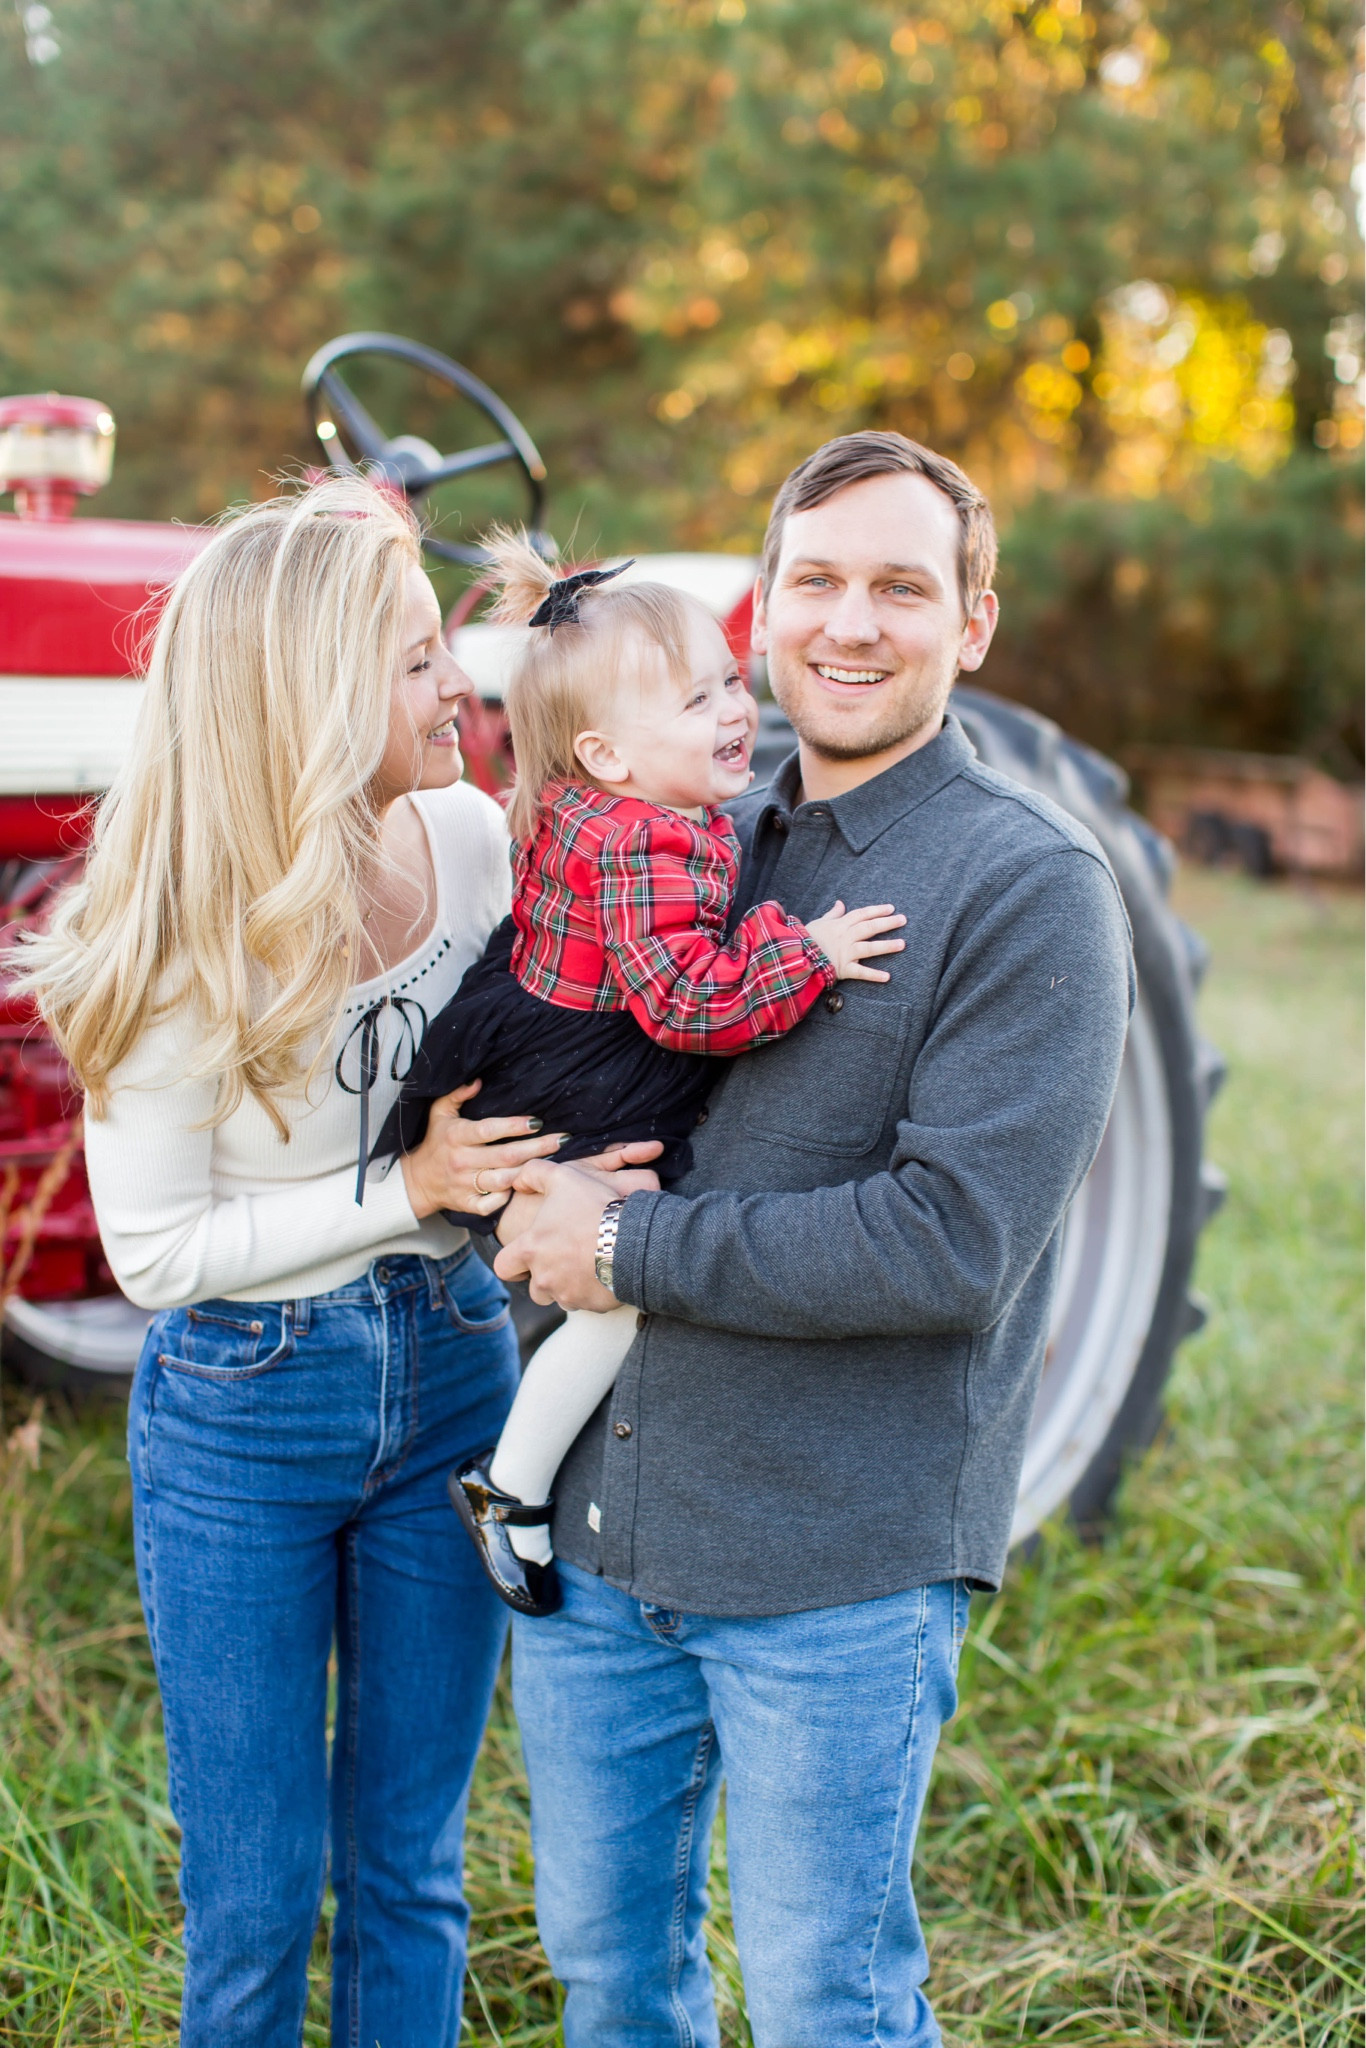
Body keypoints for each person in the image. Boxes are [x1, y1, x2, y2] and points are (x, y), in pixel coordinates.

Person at [492, 431, 1136, 2047]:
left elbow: (948, 1242)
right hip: (593, 1556)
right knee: (612, 1983)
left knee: (825, 2008)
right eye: (818, 579)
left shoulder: (1028, 884)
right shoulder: (695, 827)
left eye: (902, 587)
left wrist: (628, 1250)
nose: (851, 622)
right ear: (764, 603)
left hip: (827, 1578)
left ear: (971, 622)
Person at [12, 476, 658, 2048]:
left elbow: (582, 962)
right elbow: (158, 1253)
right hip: (247, 1407)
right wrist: (411, 1186)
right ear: (307, 698)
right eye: (417, 657)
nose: (458, 685)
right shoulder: (176, 934)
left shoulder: (461, 845)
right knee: (254, 1892)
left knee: (410, 1867)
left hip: (453, 1370)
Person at [371, 528, 906, 1616]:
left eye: (726, 681)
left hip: (545, 1037)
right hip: (560, 1078)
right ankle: (508, 1485)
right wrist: (804, 949)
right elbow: (690, 1001)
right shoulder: (642, 845)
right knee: (614, 1292)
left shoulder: (618, 808)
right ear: (608, 755)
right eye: (695, 701)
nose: (731, 711)